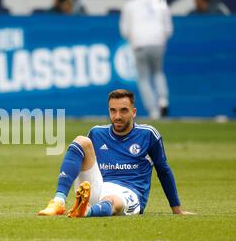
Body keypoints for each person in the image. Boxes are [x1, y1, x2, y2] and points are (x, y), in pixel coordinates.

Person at [39, 89, 194, 217]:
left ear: (133, 112)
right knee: (81, 141)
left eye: (123, 111)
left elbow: (163, 170)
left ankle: (85, 211)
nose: (117, 116)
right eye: (113, 111)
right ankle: (59, 201)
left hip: (130, 193)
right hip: (98, 187)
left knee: (114, 201)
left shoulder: (148, 134)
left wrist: (177, 210)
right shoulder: (97, 132)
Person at [119, 0, 172, 119]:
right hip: (158, 42)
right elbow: (168, 29)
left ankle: (153, 110)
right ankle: (163, 99)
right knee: (158, 72)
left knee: (143, 78)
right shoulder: (160, 2)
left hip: (139, 44)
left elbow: (125, 30)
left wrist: (134, 39)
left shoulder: (130, 4)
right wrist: (160, 38)